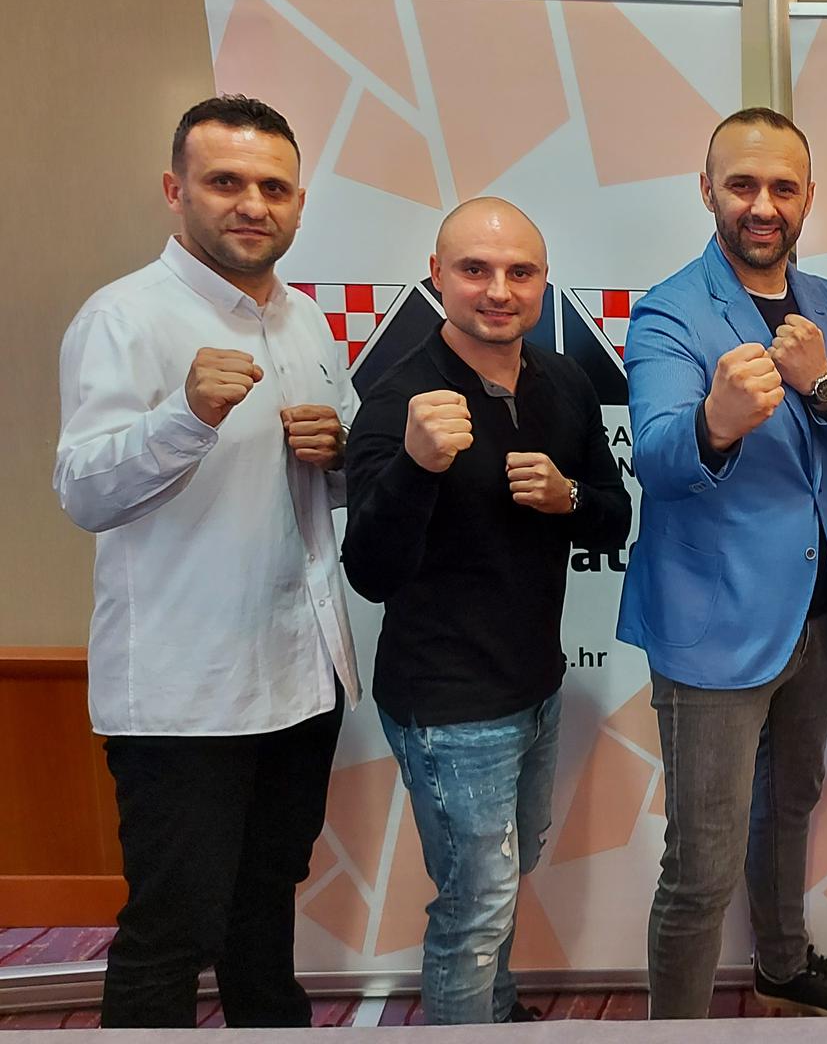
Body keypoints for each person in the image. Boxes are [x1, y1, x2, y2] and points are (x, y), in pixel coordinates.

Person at [52, 95, 358, 1028]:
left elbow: (330, 484)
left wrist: (342, 455)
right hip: (187, 692)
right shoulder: (124, 317)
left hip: (300, 676)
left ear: (298, 203)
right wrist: (186, 416)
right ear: (174, 190)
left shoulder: (306, 321)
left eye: (274, 187)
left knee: (265, 910)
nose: (252, 204)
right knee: (173, 931)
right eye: (226, 181)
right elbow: (83, 491)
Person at [618, 107, 827, 1018]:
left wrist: (824, 386)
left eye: (782, 187)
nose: (762, 205)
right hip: (713, 624)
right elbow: (657, 459)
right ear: (707, 190)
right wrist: (714, 424)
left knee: (789, 808)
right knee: (700, 866)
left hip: (819, 615)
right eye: (741, 184)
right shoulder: (669, 309)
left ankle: (781, 964)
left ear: (808, 198)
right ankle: (673, 1033)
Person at [341, 198, 630, 1024]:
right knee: (475, 909)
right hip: (446, 703)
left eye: (519, 272)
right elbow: (369, 571)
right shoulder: (398, 399)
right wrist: (416, 466)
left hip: (536, 686)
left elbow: (613, 519)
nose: (498, 290)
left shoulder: (564, 383)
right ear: (436, 275)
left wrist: (570, 497)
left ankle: (494, 1015)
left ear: (543, 283)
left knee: (501, 881)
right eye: (475, 269)